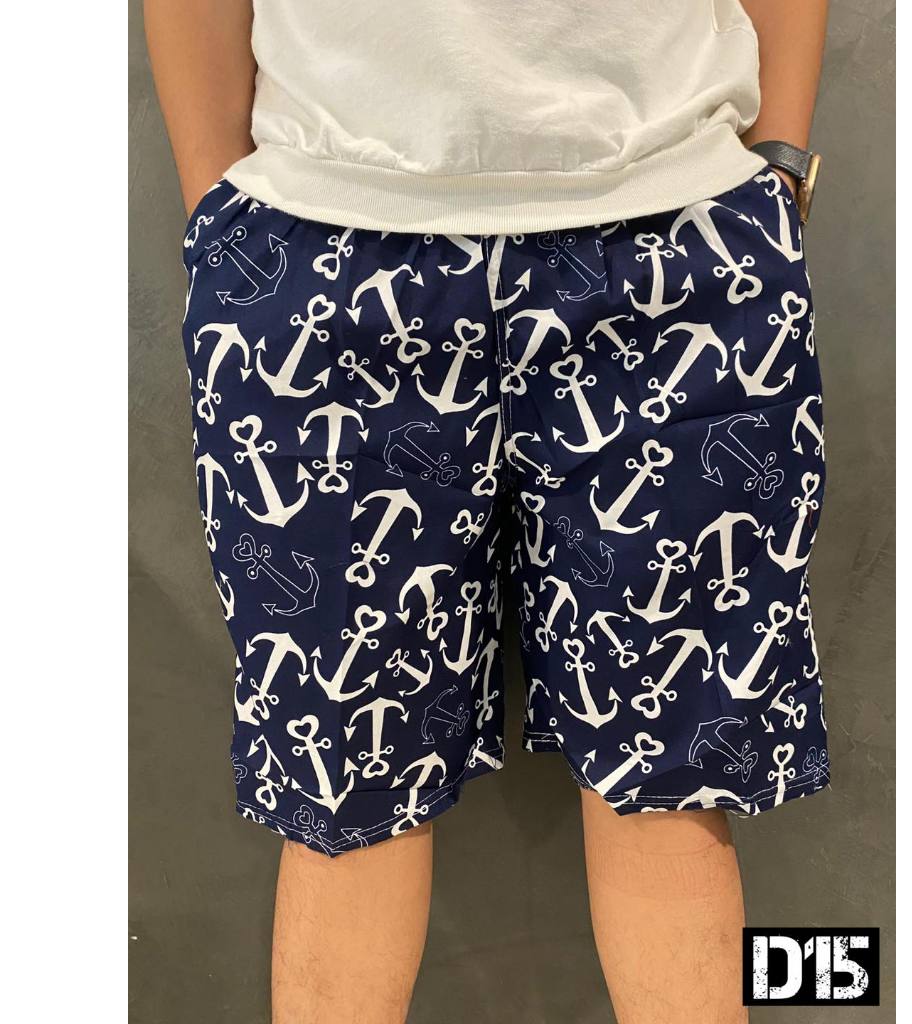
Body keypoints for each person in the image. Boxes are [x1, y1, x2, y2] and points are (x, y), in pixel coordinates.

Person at [145, 2, 831, 1021]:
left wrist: (776, 167)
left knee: (673, 785)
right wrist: (222, 220)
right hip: (322, 243)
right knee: (343, 796)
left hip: (678, 237)